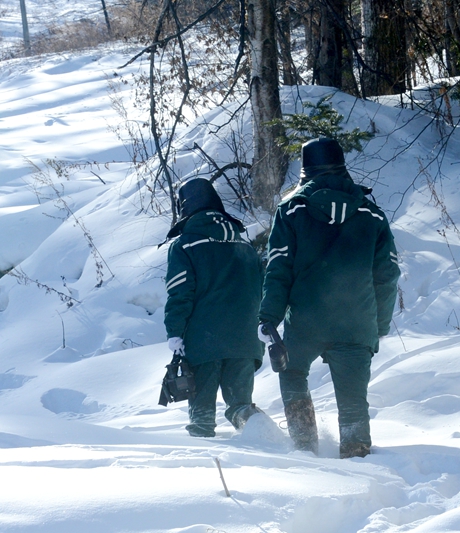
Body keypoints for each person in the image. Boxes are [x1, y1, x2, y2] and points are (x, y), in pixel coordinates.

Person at [258, 137, 400, 458]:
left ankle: (305, 448)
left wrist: (269, 317)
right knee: (353, 401)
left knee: (292, 373)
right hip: (357, 322)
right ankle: (357, 454)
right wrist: (378, 326)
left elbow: (279, 269)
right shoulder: (372, 214)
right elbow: (387, 274)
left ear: (305, 170)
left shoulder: (291, 210)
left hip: (306, 323)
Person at [164, 178, 265, 438]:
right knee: (242, 408)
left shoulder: (184, 245)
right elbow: (261, 292)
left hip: (203, 342)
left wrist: (175, 332)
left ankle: (203, 456)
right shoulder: (246, 247)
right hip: (245, 340)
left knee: (202, 417)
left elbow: (180, 294)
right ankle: (269, 440)